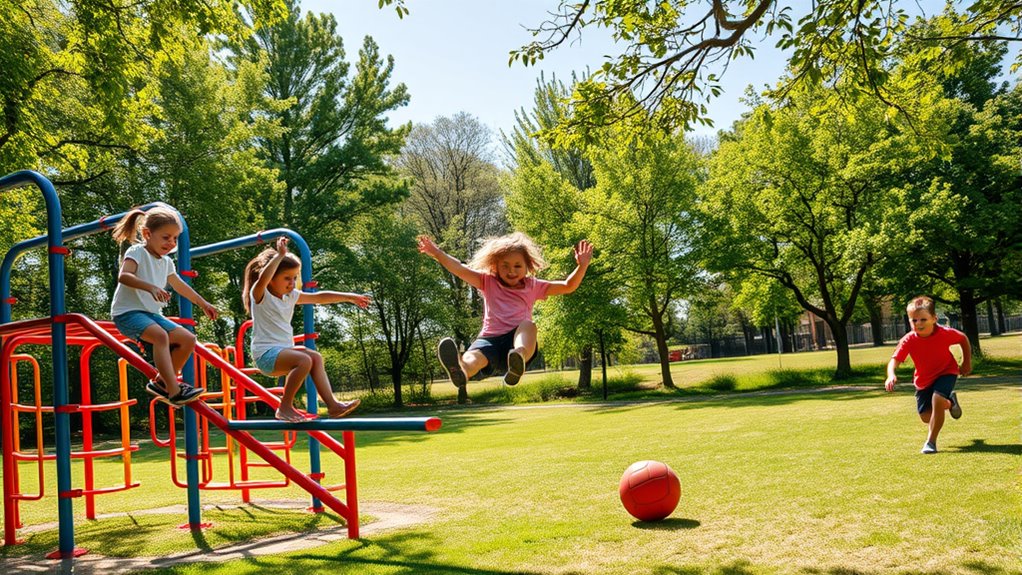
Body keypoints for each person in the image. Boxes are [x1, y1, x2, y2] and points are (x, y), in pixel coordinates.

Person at [418, 232, 592, 387]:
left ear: (528, 266)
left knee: (528, 325)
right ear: (495, 266)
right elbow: (459, 268)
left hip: (516, 340)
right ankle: (461, 370)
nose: (511, 271)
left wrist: (582, 266)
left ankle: (517, 359)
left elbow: (568, 286)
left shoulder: (533, 286)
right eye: (505, 266)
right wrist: (437, 253)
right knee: (474, 357)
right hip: (489, 340)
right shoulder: (487, 281)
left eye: (517, 266)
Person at [243, 237, 367, 422]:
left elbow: (319, 297)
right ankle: (284, 407)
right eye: (286, 278)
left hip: (283, 352)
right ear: (271, 279)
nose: (292, 283)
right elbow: (263, 278)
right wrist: (280, 255)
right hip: (266, 356)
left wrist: (350, 297)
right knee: (303, 360)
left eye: (294, 278)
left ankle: (333, 406)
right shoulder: (260, 294)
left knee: (315, 357)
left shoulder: (291, 296)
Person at [111, 206, 218, 406]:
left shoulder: (167, 262)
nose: (171, 243)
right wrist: (150, 287)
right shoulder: (137, 251)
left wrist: (203, 303)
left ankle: (162, 382)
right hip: (127, 313)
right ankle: (174, 390)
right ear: (147, 234)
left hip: (151, 314)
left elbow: (180, 286)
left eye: (175, 239)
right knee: (160, 336)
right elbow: (124, 276)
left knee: (188, 339)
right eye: (166, 237)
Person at [884, 296, 972, 454]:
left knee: (937, 398)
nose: (918, 323)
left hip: (947, 371)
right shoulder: (909, 340)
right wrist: (891, 375)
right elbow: (894, 361)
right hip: (923, 380)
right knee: (926, 417)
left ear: (934, 319)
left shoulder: (945, 333)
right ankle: (950, 403)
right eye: (913, 320)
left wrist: (966, 363)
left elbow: (963, 339)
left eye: (923, 319)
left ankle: (931, 442)